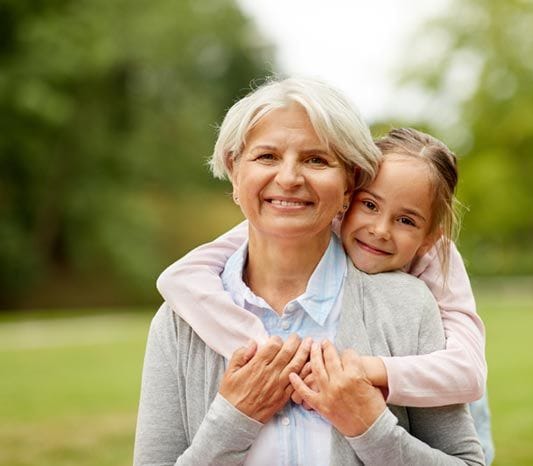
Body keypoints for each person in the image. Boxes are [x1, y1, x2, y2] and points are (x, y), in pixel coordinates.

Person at [133, 77, 485, 465]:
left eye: (316, 159)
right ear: (235, 172)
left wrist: (370, 428)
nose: (288, 178)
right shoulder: (179, 323)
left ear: (350, 182)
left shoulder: (408, 305)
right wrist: (233, 420)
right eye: (267, 156)